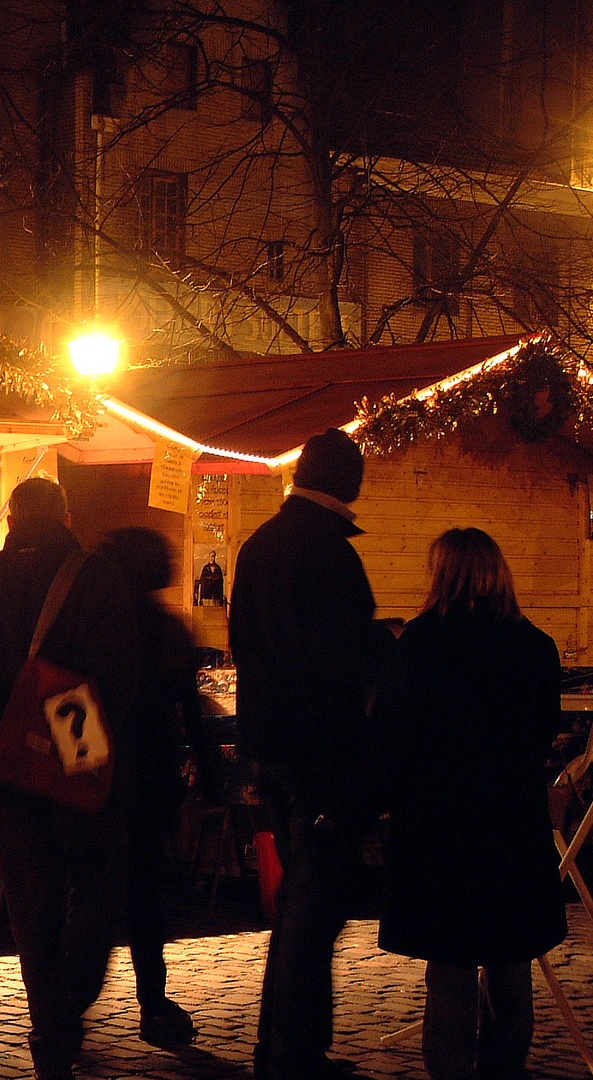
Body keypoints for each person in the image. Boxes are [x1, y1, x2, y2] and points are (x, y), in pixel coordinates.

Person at [0, 477, 139, 1080]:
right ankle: (69, 1000)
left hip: (11, 764)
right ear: (64, 513)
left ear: (11, 518)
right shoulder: (100, 579)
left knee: (32, 900)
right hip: (82, 747)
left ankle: (49, 1022)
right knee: (96, 883)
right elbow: (123, 671)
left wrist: (3, 727)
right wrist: (80, 726)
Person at [227, 428, 398, 1080]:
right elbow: (341, 657)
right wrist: (390, 646)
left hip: (270, 743)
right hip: (320, 751)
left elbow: (251, 641)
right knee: (313, 908)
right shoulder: (327, 552)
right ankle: (292, 1052)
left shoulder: (261, 544)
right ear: (350, 482)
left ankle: (286, 1047)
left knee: (302, 902)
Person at [374, 528, 566, 1080]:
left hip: (441, 820)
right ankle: (506, 1068)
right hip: (511, 818)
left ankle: (451, 1069)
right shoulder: (534, 645)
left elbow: (399, 733)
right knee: (511, 959)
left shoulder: (420, 643)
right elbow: (542, 730)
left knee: (450, 962)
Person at [96, 526, 216, 1047]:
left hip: (102, 772)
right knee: (145, 892)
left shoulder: (99, 628)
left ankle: (72, 999)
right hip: (153, 772)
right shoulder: (167, 629)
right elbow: (190, 707)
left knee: (97, 889)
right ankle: (153, 1000)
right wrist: (209, 766)